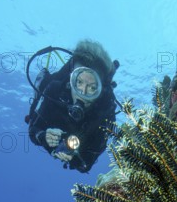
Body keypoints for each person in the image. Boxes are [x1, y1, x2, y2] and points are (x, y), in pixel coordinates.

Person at [28, 40, 119, 172]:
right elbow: (33, 130)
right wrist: (43, 136)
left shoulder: (105, 111)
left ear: (100, 90)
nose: (82, 93)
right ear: (71, 79)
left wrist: (75, 158)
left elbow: (87, 165)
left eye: (92, 87)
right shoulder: (54, 90)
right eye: (79, 82)